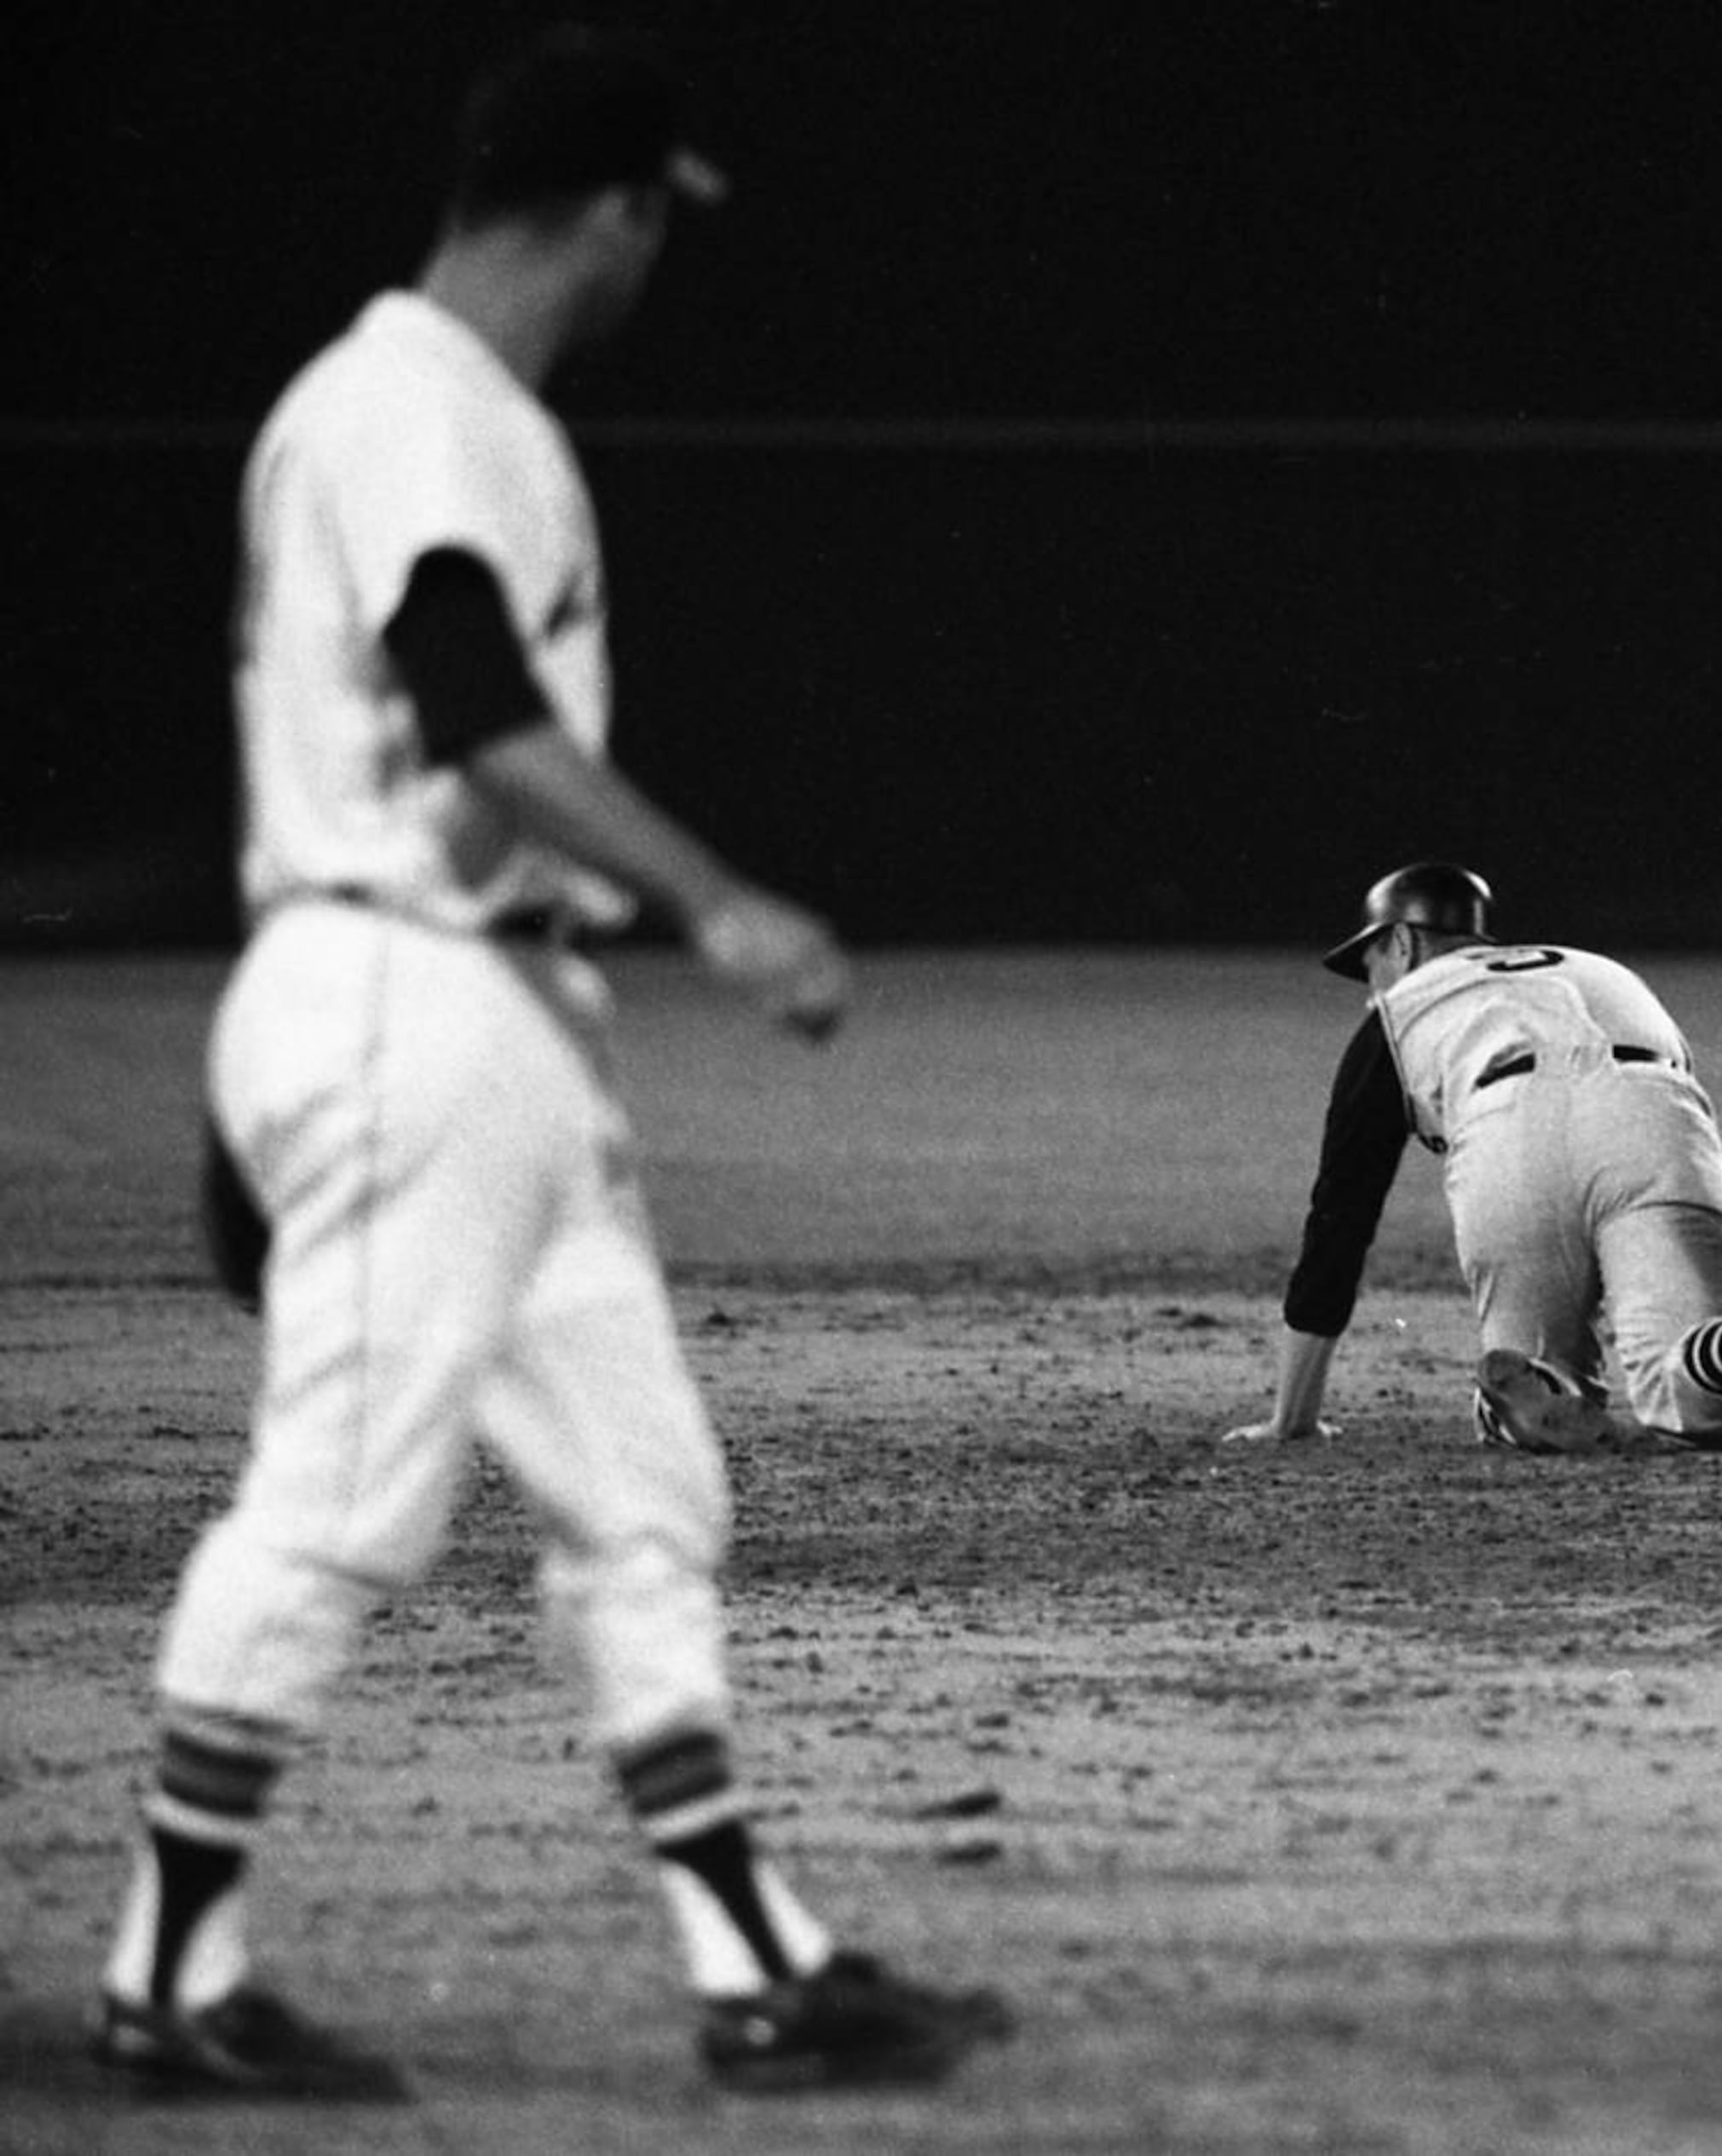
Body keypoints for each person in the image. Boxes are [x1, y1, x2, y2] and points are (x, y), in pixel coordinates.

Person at [93, 28, 1007, 2099]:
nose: (649, 262)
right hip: (410, 987)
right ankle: (164, 1969)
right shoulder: (424, 407)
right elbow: (466, 690)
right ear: (612, 210)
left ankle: (754, 1961)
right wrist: (719, 900)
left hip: (469, 1005)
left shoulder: (404, 401)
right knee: (337, 1504)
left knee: (643, 1490)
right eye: (652, 225)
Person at [1225, 862, 1722, 1455]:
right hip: (1656, 1118)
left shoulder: (1397, 1014)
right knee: (1692, 1401)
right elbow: (1678, 1073)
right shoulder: (1600, 968)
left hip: (1508, 1134)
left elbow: (1339, 1218)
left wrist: (1294, 1417)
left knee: (1527, 1378)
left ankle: (1536, 1386)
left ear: (1402, 941)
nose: (1371, 989)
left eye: (1370, 965)